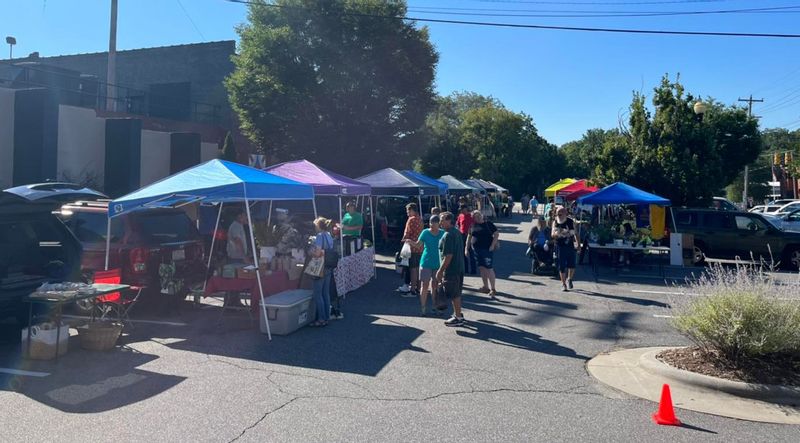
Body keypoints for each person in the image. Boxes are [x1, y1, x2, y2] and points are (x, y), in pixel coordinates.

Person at [406, 215, 445, 316]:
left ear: (438, 224)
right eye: (431, 223)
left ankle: (434, 306)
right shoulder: (425, 232)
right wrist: (410, 242)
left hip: (438, 263)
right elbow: (418, 244)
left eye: (434, 223)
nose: (432, 225)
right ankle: (423, 308)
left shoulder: (443, 233)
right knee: (424, 285)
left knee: (435, 286)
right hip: (426, 262)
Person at [437, 212, 466, 327]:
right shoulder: (456, 232)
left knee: (454, 294)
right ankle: (458, 314)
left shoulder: (448, 235)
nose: (440, 222)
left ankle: (458, 317)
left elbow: (448, 255)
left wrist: (440, 271)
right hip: (459, 267)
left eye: (442, 220)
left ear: (449, 221)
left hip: (452, 269)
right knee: (456, 293)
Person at [467, 210, 499, 298]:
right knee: (481, 268)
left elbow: (496, 234)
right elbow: (469, 237)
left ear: (482, 215)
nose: (477, 218)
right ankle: (486, 287)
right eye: (475, 217)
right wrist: (466, 248)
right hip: (476, 250)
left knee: (489, 268)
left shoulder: (488, 224)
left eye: (479, 216)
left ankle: (493, 288)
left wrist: (492, 245)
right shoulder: (472, 226)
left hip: (487, 249)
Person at [310, 217, 335, 326]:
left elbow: (318, 253)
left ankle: (321, 318)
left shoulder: (319, 236)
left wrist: (311, 250)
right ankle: (326, 317)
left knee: (317, 293)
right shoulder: (329, 235)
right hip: (328, 265)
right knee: (326, 293)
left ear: (319, 226)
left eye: (315, 226)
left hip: (320, 266)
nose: (315, 228)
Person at [399, 203, 423, 296]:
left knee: (412, 269)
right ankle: (418, 288)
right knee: (418, 269)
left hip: (412, 247)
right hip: (420, 247)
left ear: (412, 210)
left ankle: (412, 290)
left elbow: (407, 233)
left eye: (408, 211)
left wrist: (402, 241)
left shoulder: (411, 220)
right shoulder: (420, 219)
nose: (407, 213)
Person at [552, 206, 577, 292]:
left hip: (570, 245)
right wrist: (557, 234)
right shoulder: (555, 222)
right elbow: (552, 235)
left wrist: (578, 245)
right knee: (561, 266)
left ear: (565, 213)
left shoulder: (570, 221)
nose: (559, 214)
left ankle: (569, 279)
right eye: (558, 213)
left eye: (561, 213)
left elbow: (575, 233)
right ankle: (563, 284)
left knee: (572, 265)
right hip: (560, 246)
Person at [456, 205, 477, 275]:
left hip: (470, 235)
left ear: (465, 208)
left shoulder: (471, 216)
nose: (461, 211)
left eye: (462, 209)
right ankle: (465, 269)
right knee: (463, 253)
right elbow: (458, 225)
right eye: (460, 209)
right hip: (462, 235)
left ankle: (473, 270)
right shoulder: (460, 216)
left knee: (471, 252)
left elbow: (475, 225)